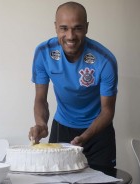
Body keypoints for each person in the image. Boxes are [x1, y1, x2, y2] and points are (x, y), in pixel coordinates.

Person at [28, 1, 118, 168]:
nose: (70, 36)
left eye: (77, 28)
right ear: (55, 27)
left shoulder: (105, 60)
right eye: (64, 28)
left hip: (97, 131)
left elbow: (107, 111)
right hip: (62, 126)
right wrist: (41, 123)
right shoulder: (43, 53)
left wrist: (85, 137)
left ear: (86, 27)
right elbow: (40, 98)